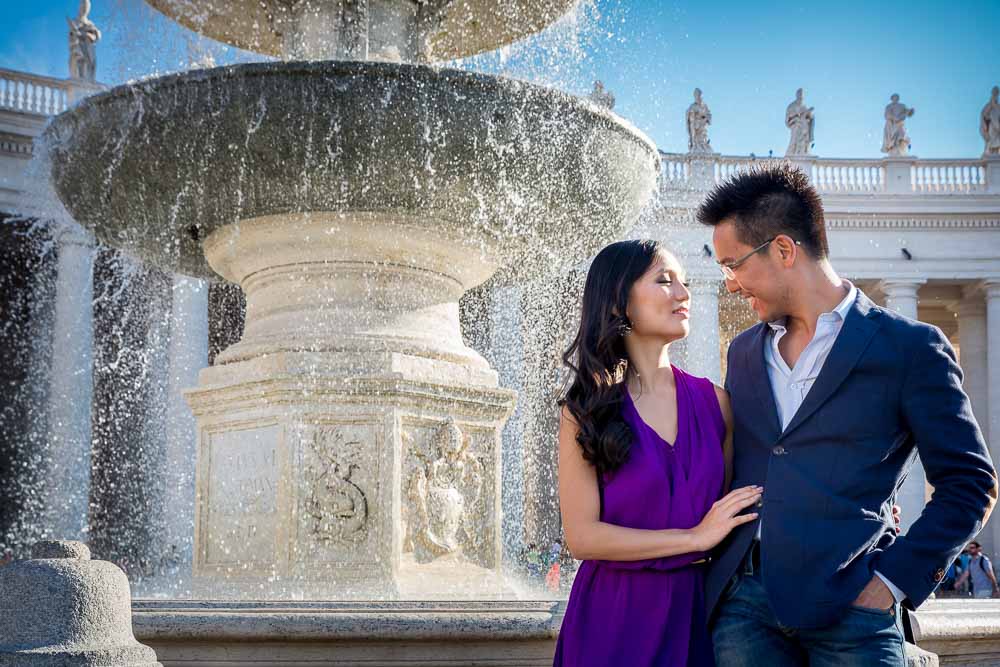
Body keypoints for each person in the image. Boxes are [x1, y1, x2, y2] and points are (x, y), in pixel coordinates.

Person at [698, 164, 998, 666]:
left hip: (854, 610)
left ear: (784, 249)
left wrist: (891, 583)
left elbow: (971, 481)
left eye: (734, 265)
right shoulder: (745, 351)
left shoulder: (911, 348)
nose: (729, 284)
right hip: (745, 609)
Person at [554, 240, 761, 666]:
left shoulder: (716, 403)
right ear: (619, 303)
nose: (684, 294)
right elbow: (581, 536)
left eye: (684, 283)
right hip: (610, 618)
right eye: (665, 281)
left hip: (694, 613)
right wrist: (692, 538)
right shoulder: (586, 410)